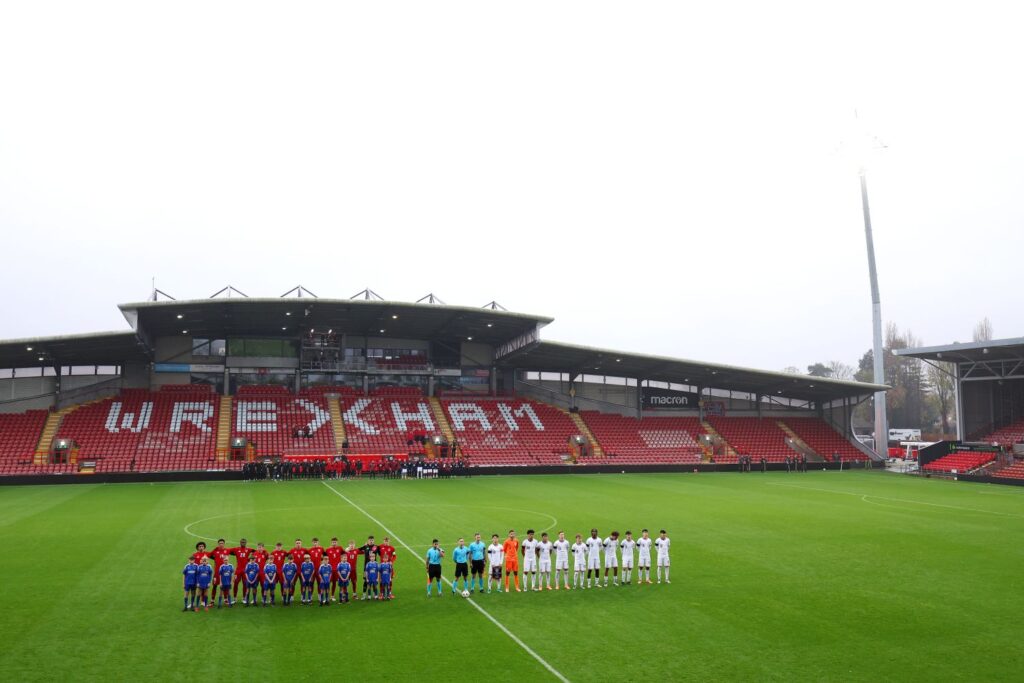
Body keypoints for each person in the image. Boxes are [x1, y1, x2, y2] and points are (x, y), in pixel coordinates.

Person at [229, 538, 254, 604]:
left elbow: (256, 552)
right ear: (240, 543)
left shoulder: (248, 549)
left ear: (246, 543)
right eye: (242, 542)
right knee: (236, 583)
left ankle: (244, 598)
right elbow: (228, 551)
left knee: (245, 584)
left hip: (245, 570)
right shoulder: (236, 549)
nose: (243, 543)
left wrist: (249, 559)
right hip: (238, 570)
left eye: (244, 542)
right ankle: (234, 598)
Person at [209, 538, 231, 603]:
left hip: (225, 572)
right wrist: (214, 558)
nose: (221, 544)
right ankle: (212, 600)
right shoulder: (215, 551)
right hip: (217, 572)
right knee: (215, 585)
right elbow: (209, 555)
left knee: (225, 586)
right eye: (220, 543)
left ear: (224, 544)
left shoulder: (227, 550)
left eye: (222, 543)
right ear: (218, 544)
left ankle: (226, 599)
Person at [359, 535, 380, 600]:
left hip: (374, 567)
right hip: (366, 567)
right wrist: (348, 548)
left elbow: (381, 554)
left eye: (372, 540)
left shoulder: (376, 547)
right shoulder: (365, 546)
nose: (371, 541)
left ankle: (374, 594)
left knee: (374, 581)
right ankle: (364, 595)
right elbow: (358, 550)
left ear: (374, 541)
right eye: (370, 540)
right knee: (365, 581)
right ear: (368, 541)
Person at [325, 538, 345, 602]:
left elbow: (345, 554)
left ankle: (332, 595)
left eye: (335, 542)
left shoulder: (340, 548)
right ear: (331, 543)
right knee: (327, 583)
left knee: (334, 583)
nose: (334, 543)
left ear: (337, 542)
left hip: (337, 570)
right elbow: (324, 558)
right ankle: (326, 596)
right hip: (329, 569)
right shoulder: (328, 550)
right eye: (333, 542)